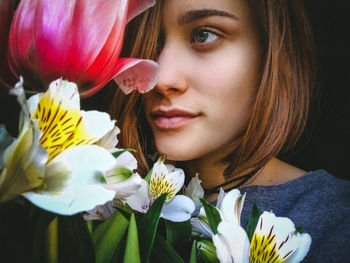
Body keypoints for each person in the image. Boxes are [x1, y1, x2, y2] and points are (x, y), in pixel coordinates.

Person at [110, 0, 350, 261]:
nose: (163, 79)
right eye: (151, 44)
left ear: (273, 52)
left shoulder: (337, 222)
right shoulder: (106, 201)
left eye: (204, 35)